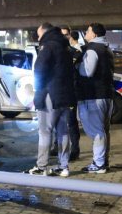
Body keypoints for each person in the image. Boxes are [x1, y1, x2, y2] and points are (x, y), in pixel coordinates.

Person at [28, 22, 75, 176]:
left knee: (45, 131)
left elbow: (39, 69)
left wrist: (38, 90)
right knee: (63, 131)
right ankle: (64, 166)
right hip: (65, 94)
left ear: (44, 31)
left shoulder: (47, 46)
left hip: (50, 94)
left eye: (38, 33)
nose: (38, 36)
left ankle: (41, 166)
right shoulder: (65, 46)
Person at [76, 22, 115, 173]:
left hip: (93, 95)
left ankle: (98, 164)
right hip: (107, 95)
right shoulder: (107, 49)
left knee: (97, 131)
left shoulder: (92, 49)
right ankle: (103, 161)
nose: (86, 33)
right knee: (104, 130)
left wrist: (78, 65)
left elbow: (87, 71)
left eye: (88, 31)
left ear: (94, 34)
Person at [59, 26, 82, 161]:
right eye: (62, 35)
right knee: (57, 122)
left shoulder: (76, 53)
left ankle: (75, 149)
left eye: (66, 35)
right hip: (57, 92)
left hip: (70, 92)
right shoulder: (55, 52)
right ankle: (57, 146)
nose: (65, 38)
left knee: (71, 122)